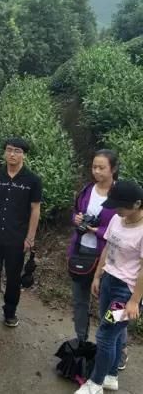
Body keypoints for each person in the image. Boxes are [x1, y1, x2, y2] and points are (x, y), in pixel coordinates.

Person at [75, 180, 143, 394]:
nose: (117, 210)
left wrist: (134, 301)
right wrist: (97, 275)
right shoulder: (116, 218)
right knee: (113, 333)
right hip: (108, 281)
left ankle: (95, 384)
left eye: (121, 206)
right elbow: (107, 248)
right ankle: (111, 376)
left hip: (126, 291)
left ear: (137, 204)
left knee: (105, 334)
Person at [0, 138, 42, 327]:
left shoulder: (32, 180)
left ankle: (10, 311)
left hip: (17, 237)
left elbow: (35, 209)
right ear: (4, 152)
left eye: (17, 151)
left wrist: (30, 237)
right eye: (9, 150)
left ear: (24, 155)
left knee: (13, 277)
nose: (12, 154)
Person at [67, 150, 118, 346]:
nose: (96, 171)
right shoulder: (87, 190)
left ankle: (116, 345)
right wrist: (77, 219)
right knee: (80, 300)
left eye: (101, 168)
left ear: (113, 169)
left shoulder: (120, 196)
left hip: (110, 257)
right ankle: (81, 339)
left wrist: (97, 230)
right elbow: (75, 213)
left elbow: (125, 228)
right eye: (94, 167)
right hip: (81, 251)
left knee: (112, 305)